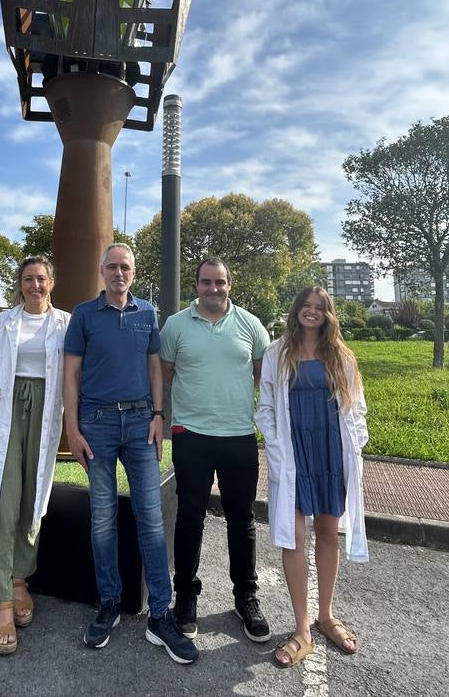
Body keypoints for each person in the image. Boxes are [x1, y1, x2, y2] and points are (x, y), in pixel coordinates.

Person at [63, 243, 198, 665]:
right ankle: (109, 602)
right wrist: (72, 427)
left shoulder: (147, 313)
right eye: (112, 267)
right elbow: (71, 373)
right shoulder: (84, 315)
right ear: (101, 271)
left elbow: (155, 366)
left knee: (151, 518)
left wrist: (159, 416)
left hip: (141, 423)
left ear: (133, 273)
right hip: (97, 424)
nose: (119, 273)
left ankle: (160, 614)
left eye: (125, 267)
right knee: (102, 516)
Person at [255, 286, 368, 669]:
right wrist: (276, 447)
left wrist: (356, 444)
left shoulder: (341, 356)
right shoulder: (277, 353)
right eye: (306, 305)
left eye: (319, 307)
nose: (312, 311)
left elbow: (357, 408)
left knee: (326, 531)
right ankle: (303, 629)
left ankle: (326, 616)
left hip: (331, 453)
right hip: (294, 455)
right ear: (296, 309)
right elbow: (266, 407)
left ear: (328, 314)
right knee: (294, 536)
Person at [0, 256, 70, 655]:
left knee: (32, 498)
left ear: (52, 282)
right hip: (8, 412)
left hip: (45, 412)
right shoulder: (4, 322)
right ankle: (0, 598)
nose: (35, 285)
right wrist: (11, 404)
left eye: (42, 278)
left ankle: (20, 577)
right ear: (20, 284)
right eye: (28, 279)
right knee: (1, 501)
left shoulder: (66, 323)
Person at [159, 257, 271, 643]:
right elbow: (165, 374)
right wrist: (165, 418)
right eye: (206, 282)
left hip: (239, 436)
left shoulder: (251, 325)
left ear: (230, 284)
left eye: (219, 282)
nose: (213, 288)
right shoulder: (175, 326)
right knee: (190, 519)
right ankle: (185, 598)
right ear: (197, 285)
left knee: (242, 520)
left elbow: (263, 377)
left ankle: (246, 597)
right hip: (192, 436)